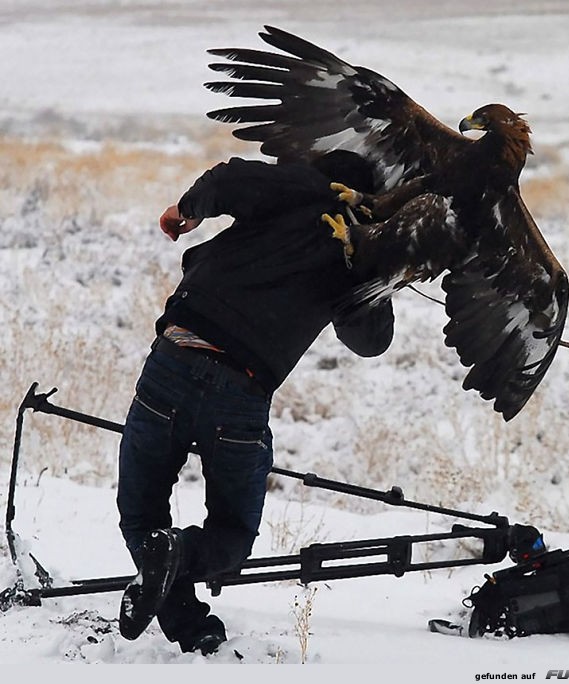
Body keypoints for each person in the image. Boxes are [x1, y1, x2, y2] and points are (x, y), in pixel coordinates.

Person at [116, 150, 395, 655]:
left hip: (173, 360)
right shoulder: (356, 244)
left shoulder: (299, 187)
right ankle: (186, 606)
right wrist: (373, 265)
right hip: (240, 393)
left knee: (141, 514)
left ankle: (172, 577)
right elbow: (371, 340)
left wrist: (188, 208)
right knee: (232, 535)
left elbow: (230, 178)